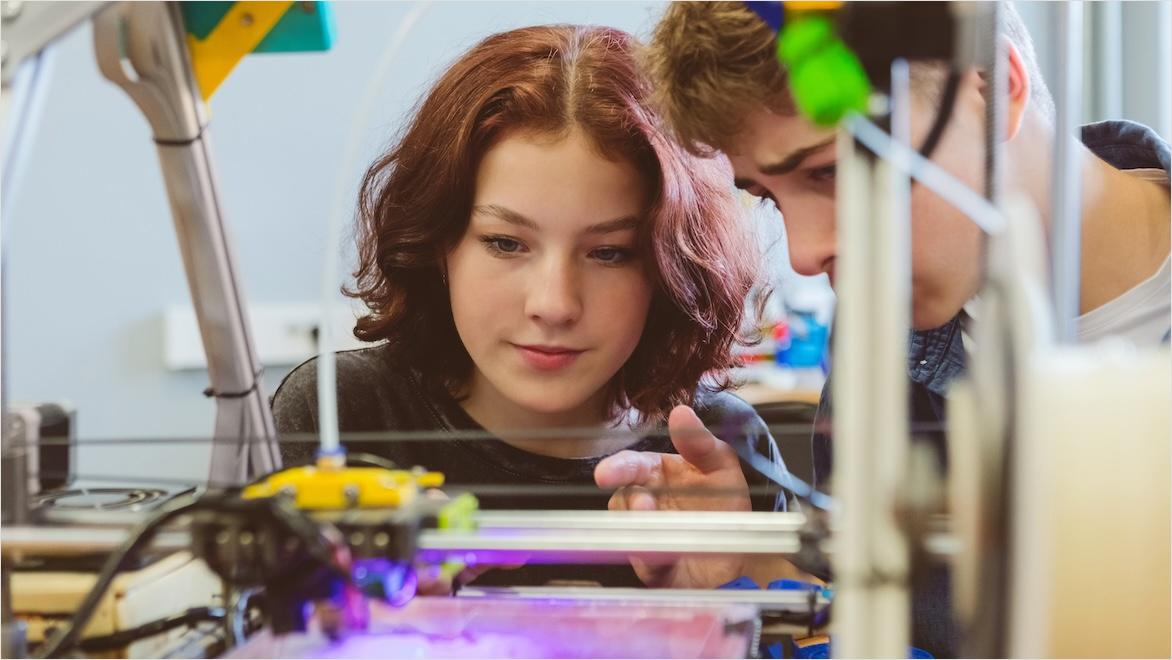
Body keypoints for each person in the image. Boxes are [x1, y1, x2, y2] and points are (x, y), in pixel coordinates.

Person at [643, 1, 1170, 655]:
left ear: (995, 87)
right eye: (771, 197)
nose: (805, 253)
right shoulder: (881, 344)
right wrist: (760, 564)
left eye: (832, 170)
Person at [272, 24, 796, 592]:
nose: (554, 305)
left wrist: (731, 592)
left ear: (672, 270)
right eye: (505, 243)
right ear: (437, 243)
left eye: (610, 253)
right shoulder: (346, 416)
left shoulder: (717, 447)